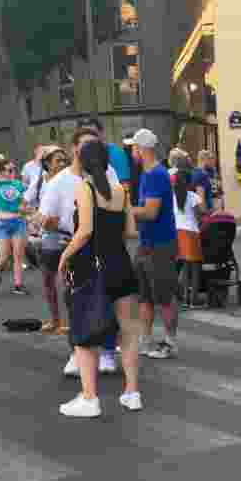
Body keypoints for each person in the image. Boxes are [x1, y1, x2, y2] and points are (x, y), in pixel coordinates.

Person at [57, 139, 143, 417]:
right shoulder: (121, 191)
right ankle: (132, 393)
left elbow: (84, 232)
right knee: (129, 330)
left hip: (93, 268)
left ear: (82, 161)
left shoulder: (85, 188)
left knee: (85, 331)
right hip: (121, 265)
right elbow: (131, 232)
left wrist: (64, 256)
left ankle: (89, 397)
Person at [42, 129, 121, 375]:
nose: (91, 152)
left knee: (108, 298)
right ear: (75, 149)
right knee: (76, 301)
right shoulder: (59, 182)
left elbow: (118, 208)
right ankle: (77, 353)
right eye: (86, 146)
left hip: (104, 245)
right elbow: (46, 218)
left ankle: (108, 351)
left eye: (95, 146)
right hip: (73, 244)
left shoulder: (108, 174)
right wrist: (48, 223)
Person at [126, 128, 180, 359]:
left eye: (133, 149)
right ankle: (146, 341)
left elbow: (150, 212)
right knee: (145, 297)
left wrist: (124, 209)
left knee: (165, 297)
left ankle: (169, 342)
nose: (131, 153)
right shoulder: (149, 174)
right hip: (147, 243)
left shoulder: (156, 174)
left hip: (160, 244)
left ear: (141, 149)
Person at [29, 146, 70, 335]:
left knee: (66, 280)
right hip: (45, 237)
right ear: (47, 164)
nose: (62, 164)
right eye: (57, 160)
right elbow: (26, 203)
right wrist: (35, 217)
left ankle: (68, 321)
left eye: (64, 160)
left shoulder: (70, 181)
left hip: (65, 235)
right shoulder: (40, 182)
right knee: (48, 280)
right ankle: (55, 320)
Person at [0, 158, 29, 295]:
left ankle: (18, 285)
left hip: (18, 222)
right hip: (2, 224)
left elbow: (25, 201)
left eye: (14, 169)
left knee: (18, 255)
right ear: (2, 171)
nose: (13, 172)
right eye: (9, 170)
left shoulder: (18, 184)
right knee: (4, 256)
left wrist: (25, 211)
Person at [173, 168, 206, 309]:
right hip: (191, 233)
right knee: (196, 267)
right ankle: (194, 299)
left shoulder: (172, 196)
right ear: (189, 182)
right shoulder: (193, 196)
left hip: (177, 232)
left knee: (185, 267)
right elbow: (200, 215)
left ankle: (185, 299)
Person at [79, 118, 131, 189]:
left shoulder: (117, 155)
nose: (89, 138)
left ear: (102, 134)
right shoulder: (80, 156)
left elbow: (125, 188)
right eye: (84, 134)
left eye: (93, 134)